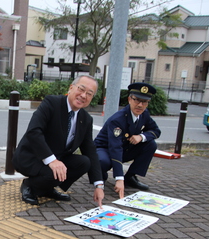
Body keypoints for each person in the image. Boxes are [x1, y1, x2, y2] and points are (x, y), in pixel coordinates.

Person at [12, 75, 104, 207]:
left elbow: (90, 150)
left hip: (57, 159)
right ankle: (29, 185)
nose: (83, 96)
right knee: (54, 171)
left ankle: (46, 188)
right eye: (81, 89)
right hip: (32, 157)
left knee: (84, 162)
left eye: (89, 94)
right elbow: (34, 132)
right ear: (71, 88)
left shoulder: (86, 119)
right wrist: (52, 161)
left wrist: (99, 185)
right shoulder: (51, 103)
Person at [94, 82, 161, 199]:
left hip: (125, 147)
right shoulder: (118, 119)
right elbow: (115, 148)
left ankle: (131, 177)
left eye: (144, 102)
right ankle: (100, 176)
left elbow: (156, 131)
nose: (140, 105)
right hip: (104, 149)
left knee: (150, 144)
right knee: (103, 161)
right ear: (129, 99)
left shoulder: (144, 114)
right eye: (137, 100)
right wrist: (119, 178)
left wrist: (141, 136)